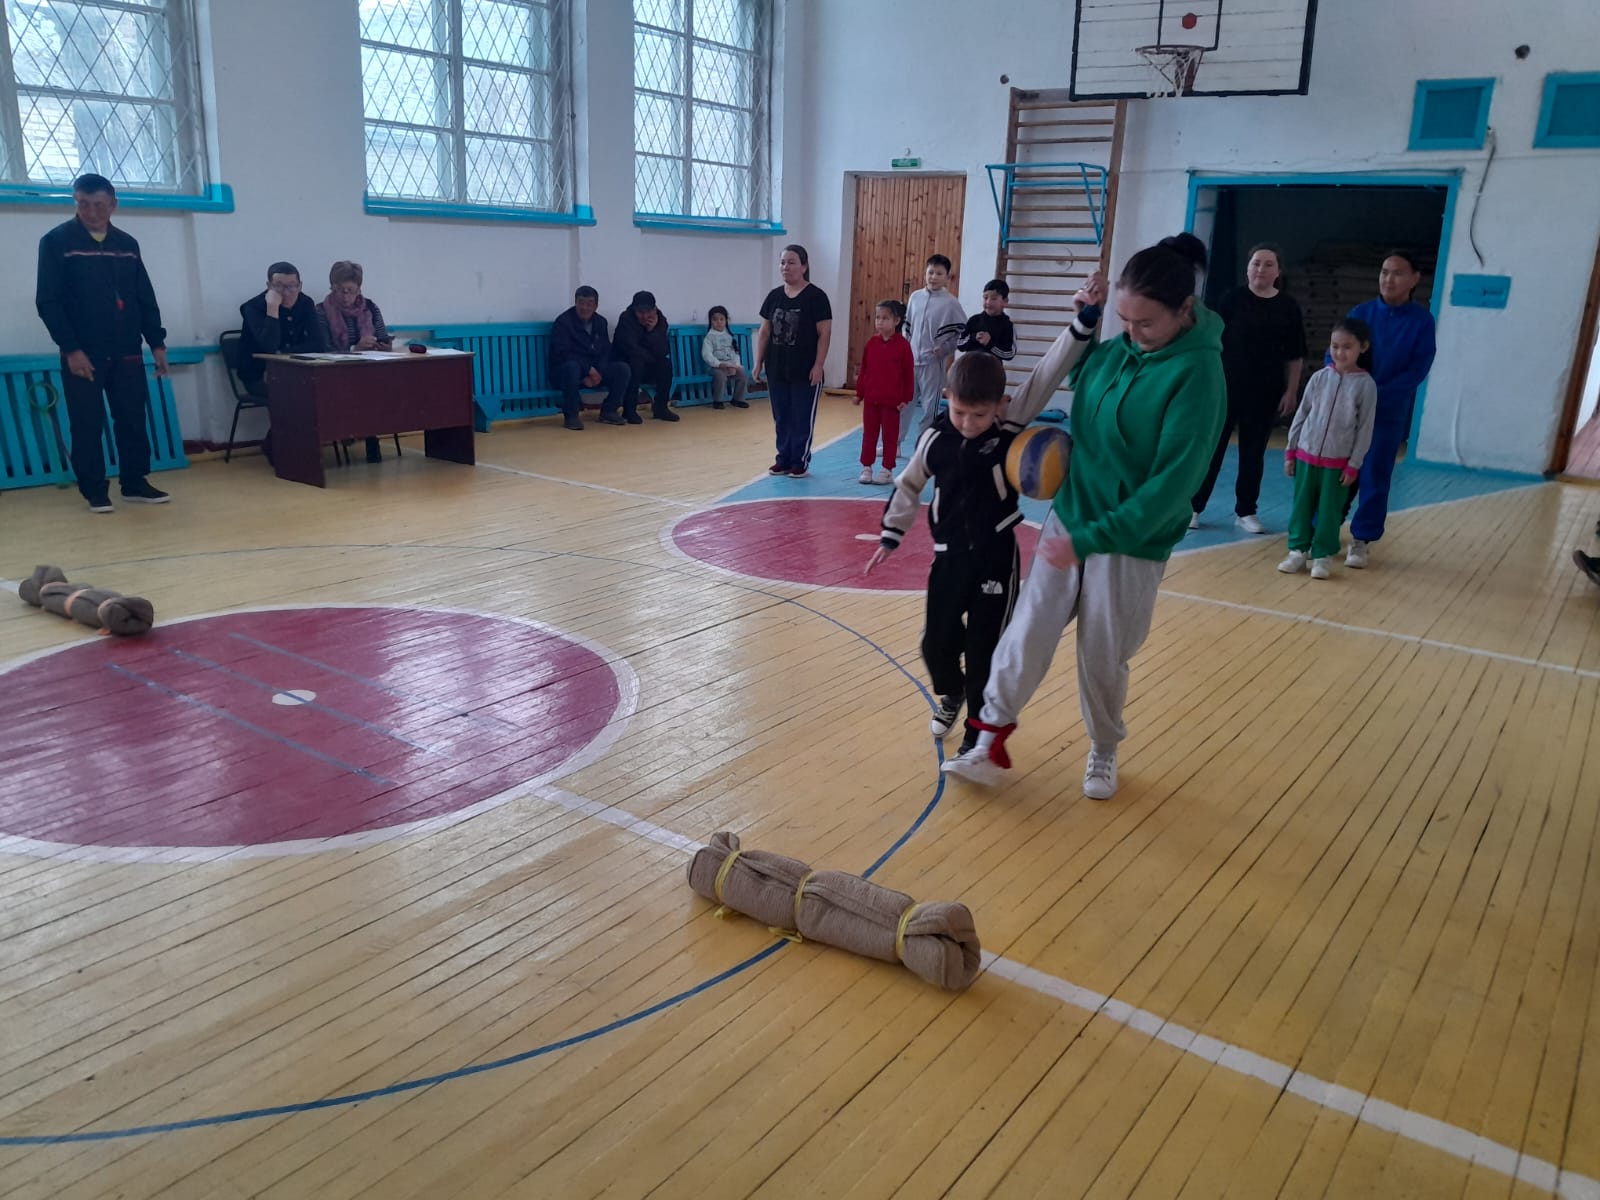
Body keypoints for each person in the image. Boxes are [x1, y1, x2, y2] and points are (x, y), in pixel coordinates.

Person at [943, 234, 1225, 801]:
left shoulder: (1199, 376)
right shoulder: (1117, 350)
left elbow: (1171, 489)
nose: (1133, 333)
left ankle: (1103, 747)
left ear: (1184, 310)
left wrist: (1096, 537)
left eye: (1145, 324)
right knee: (1027, 630)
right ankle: (988, 739)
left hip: (1130, 540)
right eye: (1125, 320)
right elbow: (1078, 379)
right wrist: (1088, 324)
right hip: (1071, 517)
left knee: (1102, 653)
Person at [865, 354, 1022, 758]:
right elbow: (908, 484)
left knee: (985, 650)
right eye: (960, 412)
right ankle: (953, 692)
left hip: (996, 556)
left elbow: (1046, 374)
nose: (968, 424)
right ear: (948, 397)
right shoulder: (935, 439)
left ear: (1000, 405)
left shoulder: (1008, 431)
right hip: (950, 557)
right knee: (936, 643)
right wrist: (890, 536)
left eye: (980, 415)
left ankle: (976, 735)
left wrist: (1083, 325)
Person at [35, 172, 172, 512]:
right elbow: (48, 302)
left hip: (127, 351)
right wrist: (71, 349)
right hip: (84, 353)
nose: (91, 212)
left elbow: (144, 296)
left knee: (132, 420)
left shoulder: (127, 245)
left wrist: (157, 343)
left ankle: (135, 483)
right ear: (75, 202)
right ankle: (95, 490)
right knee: (87, 422)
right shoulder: (56, 242)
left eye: (99, 205)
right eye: (83, 204)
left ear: (113, 205)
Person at [1190, 243, 1306, 534]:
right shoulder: (1231, 299)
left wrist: (1291, 391)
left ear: (1278, 272)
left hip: (1265, 391)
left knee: (1253, 453)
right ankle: (1194, 506)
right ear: (1247, 268)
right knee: (1212, 449)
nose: (1261, 269)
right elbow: (1211, 341)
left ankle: (1246, 511)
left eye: (1268, 264)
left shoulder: (1288, 307)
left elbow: (1295, 354)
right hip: (1225, 387)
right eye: (1256, 263)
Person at [1343, 250, 1437, 569]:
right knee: (1337, 471)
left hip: (1387, 413)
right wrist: (1346, 389)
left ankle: (1362, 538)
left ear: (1414, 279)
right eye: (1384, 271)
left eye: (1397, 273)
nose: (1388, 279)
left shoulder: (1421, 322)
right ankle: (1322, 529)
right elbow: (1338, 352)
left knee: (1374, 474)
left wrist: (1378, 394)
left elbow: (1418, 367)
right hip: (1350, 411)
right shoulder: (1361, 314)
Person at [1277, 319, 1377, 580]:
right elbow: (1302, 414)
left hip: (1338, 463)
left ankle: (1322, 556)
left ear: (1363, 347)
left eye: (1347, 347)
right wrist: (1291, 451)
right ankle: (1297, 551)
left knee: (1330, 512)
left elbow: (1365, 428)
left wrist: (1354, 464)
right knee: (1301, 507)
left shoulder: (1366, 385)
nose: (1339, 352)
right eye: (1335, 346)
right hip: (1305, 456)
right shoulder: (1319, 378)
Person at [754, 244, 833, 477]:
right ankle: (784, 458)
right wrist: (758, 362)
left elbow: (824, 334)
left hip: (805, 369)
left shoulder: (817, 297)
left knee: (801, 417)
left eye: (791, 262)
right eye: (782, 262)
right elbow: (765, 332)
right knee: (781, 417)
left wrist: (818, 365)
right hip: (777, 367)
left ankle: (799, 460)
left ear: (804, 266)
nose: (785, 267)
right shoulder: (774, 296)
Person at [322, 260, 393, 462]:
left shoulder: (370, 307)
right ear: (332, 287)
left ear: (359, 289)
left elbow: (382, 336)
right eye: (340, 290)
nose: (345, 296)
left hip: (368, 369)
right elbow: (324, 349)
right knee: (362, 389)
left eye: (350, 291)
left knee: (381, 386)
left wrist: (383, 345)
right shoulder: (321, 311)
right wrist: (355, 349)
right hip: (334, 372)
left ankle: (369, 435)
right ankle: (362, 435)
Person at [900, 254, 967, 454]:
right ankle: (893, 445)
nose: (933, 277)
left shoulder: (951, 303)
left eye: (939, 273)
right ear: (925, 273)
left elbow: (962, 333)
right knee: (903, 405)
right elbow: (907, 327)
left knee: (930, 409)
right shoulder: (915, 298)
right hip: (911, 362)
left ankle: (923, 446)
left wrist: (945, 349)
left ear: (947, 277)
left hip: (933, 365)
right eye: (930, 272)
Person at [237, 262, 328, 397]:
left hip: (298, 370)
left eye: (291, 286)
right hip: (260, 373)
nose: (286, 292)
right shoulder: (253, 307)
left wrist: (281, 353)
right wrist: (272, 309)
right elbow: (269, 346)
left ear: (300, 286)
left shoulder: (306, 303)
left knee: (330, 388)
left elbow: (319, 344)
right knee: (299, 394)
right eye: (278, 286)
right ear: (269, 286)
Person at [551, 286, 630, 429]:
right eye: (581, 303)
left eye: (589, 304)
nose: (584, 308)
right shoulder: (563, 322)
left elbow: (606, 350)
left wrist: (598, 372)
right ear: (575, 303)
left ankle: (609, 411)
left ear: (596, 306)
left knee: (622, 369)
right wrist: (589, 370)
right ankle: (571, 416)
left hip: (594, 370)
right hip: (566, 371)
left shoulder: (601, 322)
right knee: (572, 368)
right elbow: (562, 353)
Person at [853, 299, 914, 484]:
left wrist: (906, 398)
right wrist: (859, 393)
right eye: (877, 317)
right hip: (871, 401)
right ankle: (866, 467)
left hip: (892, 403)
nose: (880, 322)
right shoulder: (871, 343)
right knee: (869, 435)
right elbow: (864, 370)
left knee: (889, 437)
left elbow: (908, 374)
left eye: (885, 318)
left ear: (896, 321)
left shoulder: (903, 346)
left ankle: (887, 469)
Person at [612, 290, 679, 423]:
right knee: (636, 362)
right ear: (634, 309)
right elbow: (629, 348)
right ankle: (629, 410)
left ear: (654, 309)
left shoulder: (660, 320)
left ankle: (661, 408)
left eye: (648, 312)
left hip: (647, 363)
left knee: (665, 364)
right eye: (640, 312)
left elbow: (663, 350)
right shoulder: (626, 319)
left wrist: (652, 331)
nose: (644, 316)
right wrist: (651, 355)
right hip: (626, 364)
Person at [701, 306, 750, 410]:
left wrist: (735, 366)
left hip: (730, 366)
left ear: (726, 320)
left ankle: (737, 399)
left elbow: (735, 353)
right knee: (720, 376)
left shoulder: (729, 336)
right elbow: (707, 354)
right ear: (710, 321)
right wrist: (719, 364)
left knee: (742, 373)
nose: (718, 322)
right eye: (715, 319)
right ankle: (717, 401)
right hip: (715, 367)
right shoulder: (709, 337)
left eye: (721, 319)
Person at [956, 279, 1016, 361]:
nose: (988, 302)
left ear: (1005, 301)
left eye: (993, 299)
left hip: (992, 368)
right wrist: (974, 337)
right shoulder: (974, 320)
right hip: (969, 366)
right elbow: (959, 344)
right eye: (985, 298)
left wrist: (989, 343)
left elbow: (1009, 354)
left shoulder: (1008, 325)